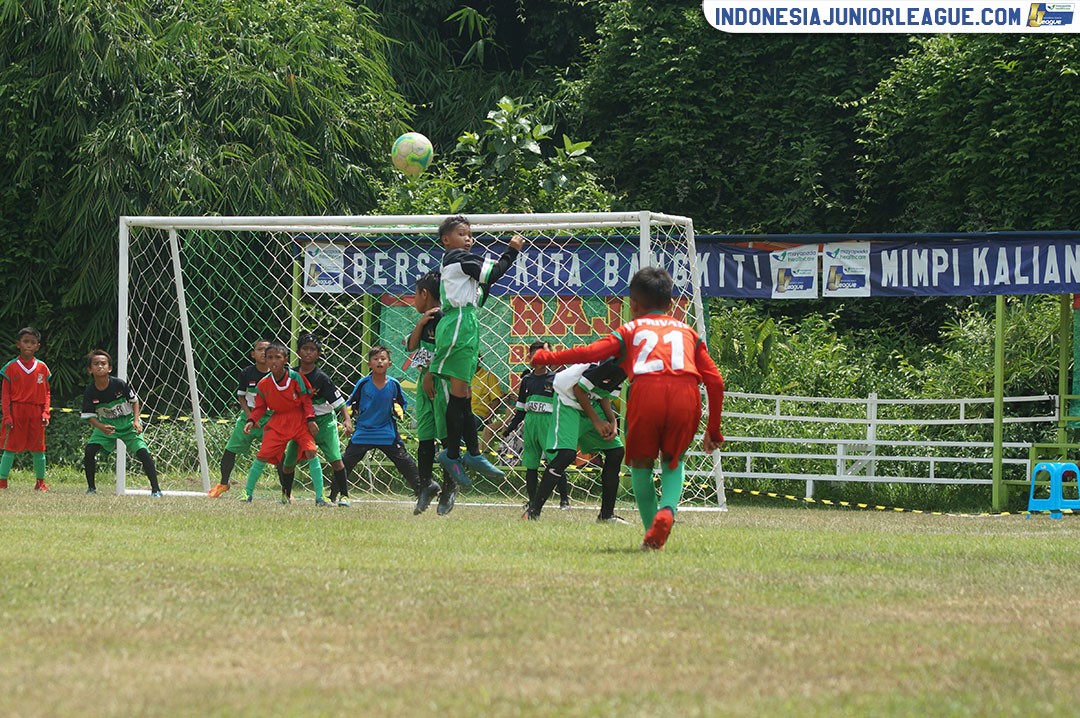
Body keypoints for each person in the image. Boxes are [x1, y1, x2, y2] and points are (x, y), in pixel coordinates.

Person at [531, 267, 725, 551]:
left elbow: (591, 353)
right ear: (671, 303)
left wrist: (548, 356)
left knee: (641, 467)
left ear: (632, 304)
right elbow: (716, 381)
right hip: (686, 394)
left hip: (647, 393)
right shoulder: (688, 333)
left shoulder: (631, 330)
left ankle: (652, 535)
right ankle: (668, 511)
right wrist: (714, 428)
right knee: (673, 462)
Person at [432, 214, 525, 486]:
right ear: (446, 240)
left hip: (468, 323)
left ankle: (472, 453)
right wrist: (512, 251)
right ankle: (452, 454)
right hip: (458, 324)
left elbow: (485, 285)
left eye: (470, 235)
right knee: (459, 395)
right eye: (463, 234)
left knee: (465, 395)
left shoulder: (462, 266)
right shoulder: (458, 258)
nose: (468, 239)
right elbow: (493, 272)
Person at [522, 359, 627, 523]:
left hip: (590, 404)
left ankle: (606, 515)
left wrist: (612, 422)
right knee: (566, 455)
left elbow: (604, 396)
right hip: (568, 401)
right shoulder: (610, 363)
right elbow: (579, 390)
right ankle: (533, 511)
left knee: (616, 451)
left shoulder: (626, 370)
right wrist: (596, 421)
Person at [240, 341, 325, 505]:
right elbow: (260, 407)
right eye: (269, 357)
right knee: (262, 455)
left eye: (277, 357)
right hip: (278, 422)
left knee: (311, 451)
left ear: (285, 359)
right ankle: (247, 494)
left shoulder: (295, 378)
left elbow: (306, 400)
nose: (273, 361)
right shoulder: (263, 384)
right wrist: (251, 420)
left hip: (298, 420)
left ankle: (320, 497)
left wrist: (310, 420)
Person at [277, 333, 353, 505]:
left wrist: (347, 420)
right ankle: (286, 495)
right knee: (289, 462)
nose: (308, 353)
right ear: (298, 352)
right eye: (305, 349)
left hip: (324, 422)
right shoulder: (290, 375)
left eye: (312, 349)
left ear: (318, 354)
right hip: (302, 424)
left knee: (335, 460)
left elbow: (338, 402)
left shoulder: (322, 378)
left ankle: (345, 496)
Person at [340, 346, 421, 507]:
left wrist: (399, 410)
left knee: (405, 462)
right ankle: (336, 494)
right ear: (369, 364)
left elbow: (401, 405)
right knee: (346, 462)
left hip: (386, 433)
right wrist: (348, 417)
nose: (379, 362)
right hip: (364, 432)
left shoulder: (394, 384)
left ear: (389, 364)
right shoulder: (363, 384)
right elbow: (351, 403)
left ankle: (422, 491)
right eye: (376, 359)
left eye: (383, 359)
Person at [405, 271, 456, 515]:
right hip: (424, 386)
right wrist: (420, 324)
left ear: (424, 294)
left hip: (441, 384)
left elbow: (447, 351)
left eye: (415, 294)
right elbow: (411, 346)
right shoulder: (426, 320)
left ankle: (450, 485)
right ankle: (427, 484)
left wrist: (429, 373)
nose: (413, 299)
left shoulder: (445, 318)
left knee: (446, 437)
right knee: (425, 437)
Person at [81, 350, 162, 497]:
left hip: (127, 424)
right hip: (106, 426)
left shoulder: (119, 384)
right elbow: (89, 416)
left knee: (143, 453)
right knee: (89, 451)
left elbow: (135, 401)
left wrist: (136, 421)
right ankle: (91, 488)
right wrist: (101, 427)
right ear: (90, 369)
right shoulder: (90, 391)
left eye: (103, 363)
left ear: (109, 368)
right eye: (96, 364)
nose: (100, 366)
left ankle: (156, 489)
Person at [503, 340, 567, 508]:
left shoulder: (556, 379)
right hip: (531, 424)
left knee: (555, 461)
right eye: (536, 355)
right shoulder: (527, 380)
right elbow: (521, 409)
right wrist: (511, 426)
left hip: (548, 424)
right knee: (531, 463)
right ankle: (532, 500)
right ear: (529, 357)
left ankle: (564, 500)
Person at [209, 338, 271, 498]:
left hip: (270, 418)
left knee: (278, 453)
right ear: (253, 354)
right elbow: (241, 397)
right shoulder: (246, 373)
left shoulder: (278, 374)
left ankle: (287, 491)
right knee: (230, 450)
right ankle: (223, 484)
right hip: (248, 416)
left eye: (267, 350)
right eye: (260, 349)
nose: (264, 352)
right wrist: (250, 417)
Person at [0, 327, 52, 491]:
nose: (29, 345)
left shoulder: (42, 368)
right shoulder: (10, 367)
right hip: (17, 412)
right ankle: (2, 482)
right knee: (10, 448)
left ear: (38, 346)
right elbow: (5, 395)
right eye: (25, 342)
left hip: (36, 413)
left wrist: (46, 412)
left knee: (39, 449)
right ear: (18, 344)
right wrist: (7, 415)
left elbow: (47, 392)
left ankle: (40, 482)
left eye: (32, 342)